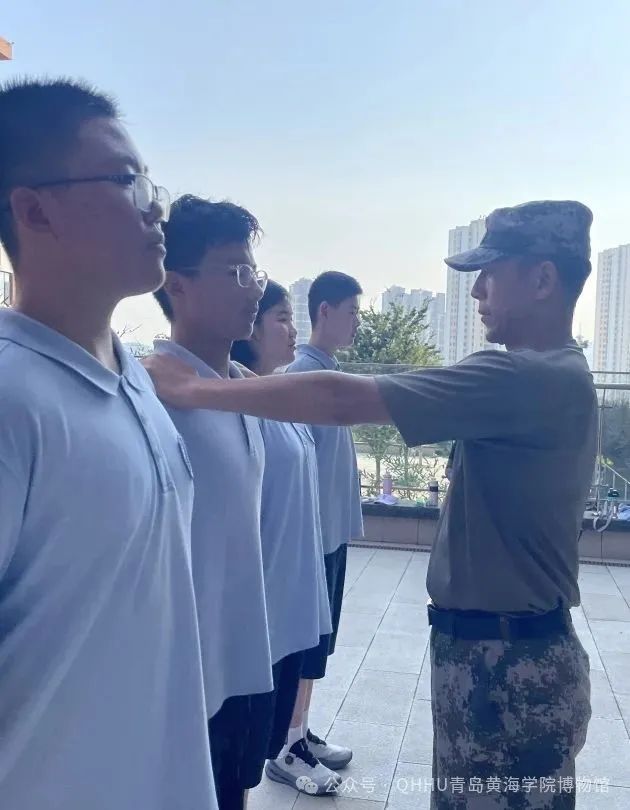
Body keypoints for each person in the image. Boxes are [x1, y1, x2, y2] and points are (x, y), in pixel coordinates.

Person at [143, 200, 598, 808]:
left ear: (542, 279)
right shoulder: (548, 374)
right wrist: (227, 382)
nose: (477, 292)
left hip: (510, 664)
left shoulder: (527, 379)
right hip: (500, 652)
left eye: (491, 274)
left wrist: (194, 387)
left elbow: (343, 400)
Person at [0, 79, 217, 810]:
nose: (155, 206)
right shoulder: (10, 396)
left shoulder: (136, 381)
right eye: (125, 180)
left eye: (149, 181)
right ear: (35, 210)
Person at [152, 195, 274, 810]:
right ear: (177, 284)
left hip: (241, 658)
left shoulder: (238, 389)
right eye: (235, 271)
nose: (255, 287)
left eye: (254, 271)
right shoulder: (155, 394)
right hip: (184, 678)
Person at [231, 280, 339, 796]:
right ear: (250, 329)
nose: (293, 329)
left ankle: (292, 743)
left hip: (293, 598)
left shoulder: (278, 398)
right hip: (265, 608)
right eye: (281, 318)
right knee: (239, 758)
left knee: (257, 744)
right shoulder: (240, 403)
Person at [284, 271, 363, 770]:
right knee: (307, 643)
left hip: (330, 536)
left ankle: (299, 731)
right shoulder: (302, 379)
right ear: (324, 312)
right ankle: (289, 743)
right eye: (351, 312)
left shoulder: (328, 374)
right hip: (311, 540)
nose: (357, 322)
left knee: (320, 644)